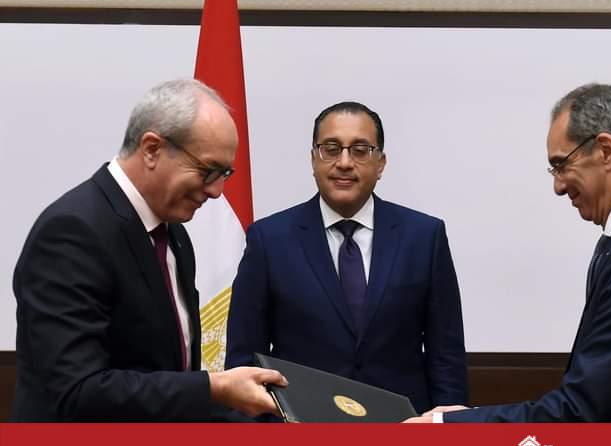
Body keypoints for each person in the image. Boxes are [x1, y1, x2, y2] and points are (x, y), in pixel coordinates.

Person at [407, 83, 611, 423]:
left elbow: (578, 410)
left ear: (606, 151)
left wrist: (446, 426)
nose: (558, 186)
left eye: (562, 164)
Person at [11, 78, 287, 422]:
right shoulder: (72, 232)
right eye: (208, 171)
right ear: (152, 149)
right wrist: (213, 388)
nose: (217, 191)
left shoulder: (174, 235)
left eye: (225, 173)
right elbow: (77, 393)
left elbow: (168, 375)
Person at [225, 101, 468, 413]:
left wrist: (450, 429)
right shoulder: (269, 240)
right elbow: (244, 359)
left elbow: (445, 354)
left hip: (403, 427)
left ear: (381, 163)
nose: (344, 162)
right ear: (313, 159)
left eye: (360, 150)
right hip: (302, 426)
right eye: (331, 149)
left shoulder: (424, 237)